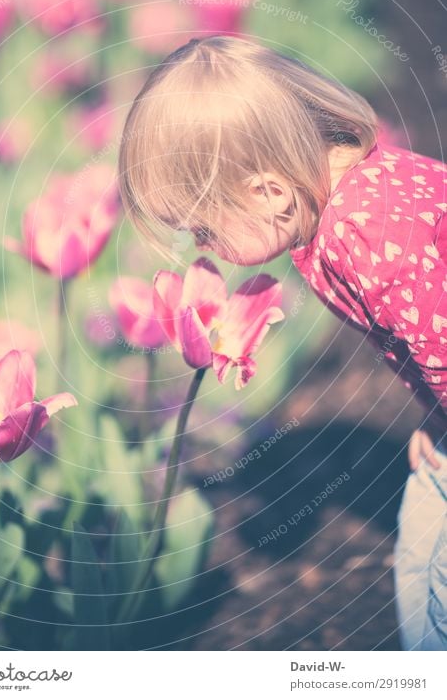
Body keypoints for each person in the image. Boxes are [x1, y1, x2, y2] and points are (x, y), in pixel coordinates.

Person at [117, 34, 447, 650]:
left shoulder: (365, 237)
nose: (203, 247)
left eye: (205, 227)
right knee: (422, 549)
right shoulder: (347, 193)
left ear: (268, 192)